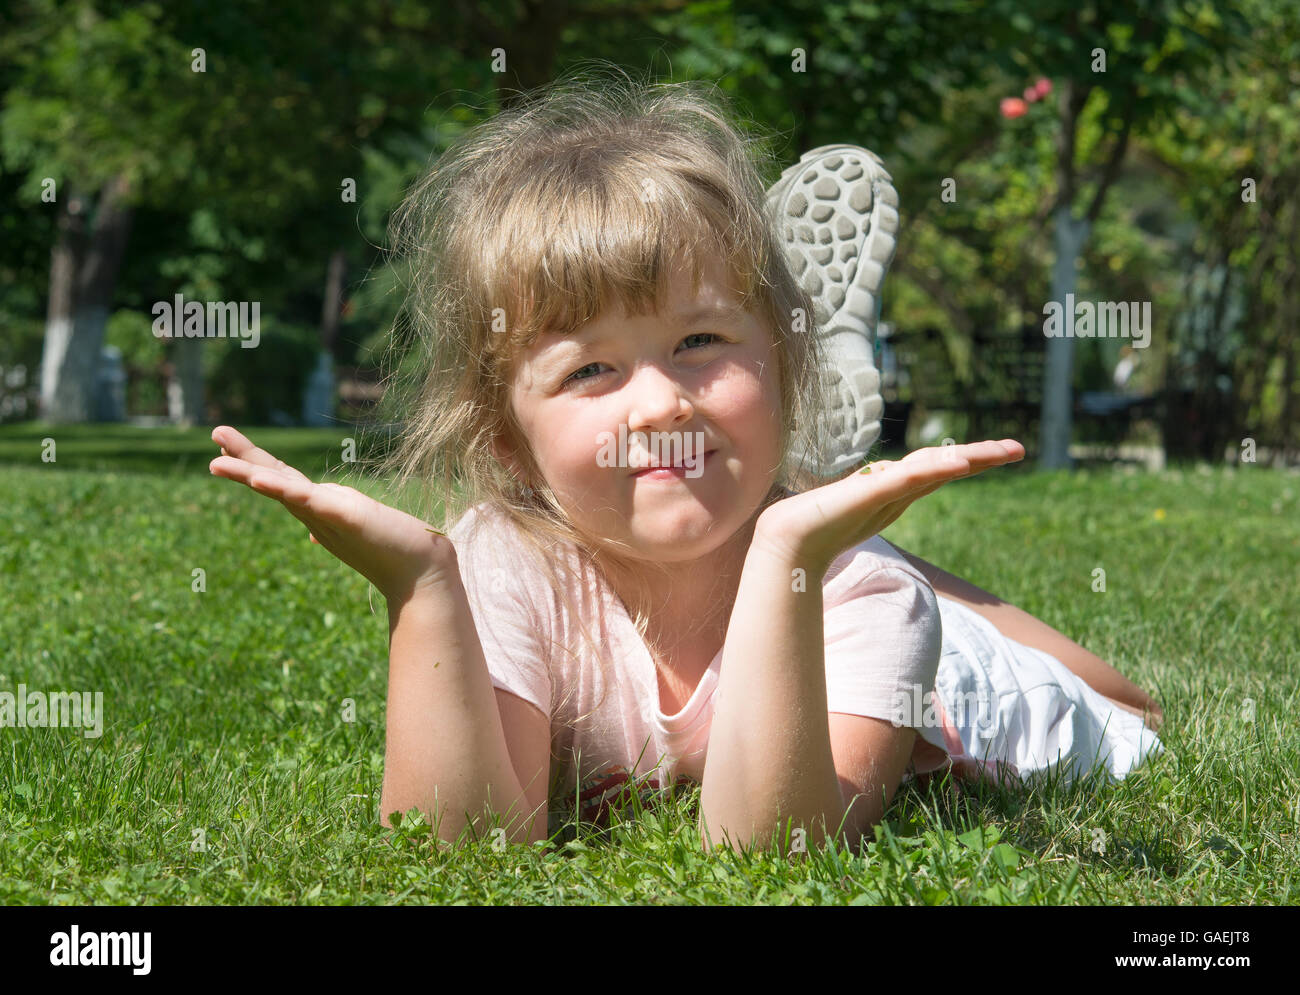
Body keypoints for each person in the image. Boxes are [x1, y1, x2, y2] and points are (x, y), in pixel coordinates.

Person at [207, 69, 1164, 856]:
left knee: (1130, 702)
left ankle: (802, 480)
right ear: (507, 441)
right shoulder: (505, 559)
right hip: (818, 553)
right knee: (859, 559)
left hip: (976, 695)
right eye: (590, 367)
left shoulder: (862, 599)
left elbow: (770, 854)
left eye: (701, 340)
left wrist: (791, 553)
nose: (661, 399)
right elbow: (461, 852)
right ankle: (786, 455)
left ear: (781, 371)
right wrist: (422, 590)